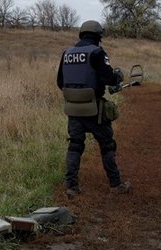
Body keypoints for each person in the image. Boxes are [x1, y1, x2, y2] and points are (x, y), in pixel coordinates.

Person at [56, 20, 131, 198]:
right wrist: (117, 76)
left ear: (82, 34)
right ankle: (115, 184)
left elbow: (60, 82)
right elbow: (109, 78)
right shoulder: (97, 52)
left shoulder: (66, 53)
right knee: (107, 144)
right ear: (98, 36)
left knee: (75, 146)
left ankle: (72, 187)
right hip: (94, 109)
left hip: (72, 110)